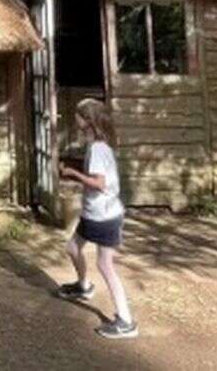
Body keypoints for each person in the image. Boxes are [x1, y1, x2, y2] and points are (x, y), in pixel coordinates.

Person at [56, 98, 138, 339]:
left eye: (78, 116)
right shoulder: (96, 145)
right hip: (94, 214)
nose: (75, 119)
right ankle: (83, 286)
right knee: (72, 247)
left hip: (104, 216)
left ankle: (126, 321)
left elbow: (99, 183)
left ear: (87, 121)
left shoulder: (99, 149)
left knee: (105, 265)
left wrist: (72, 173)